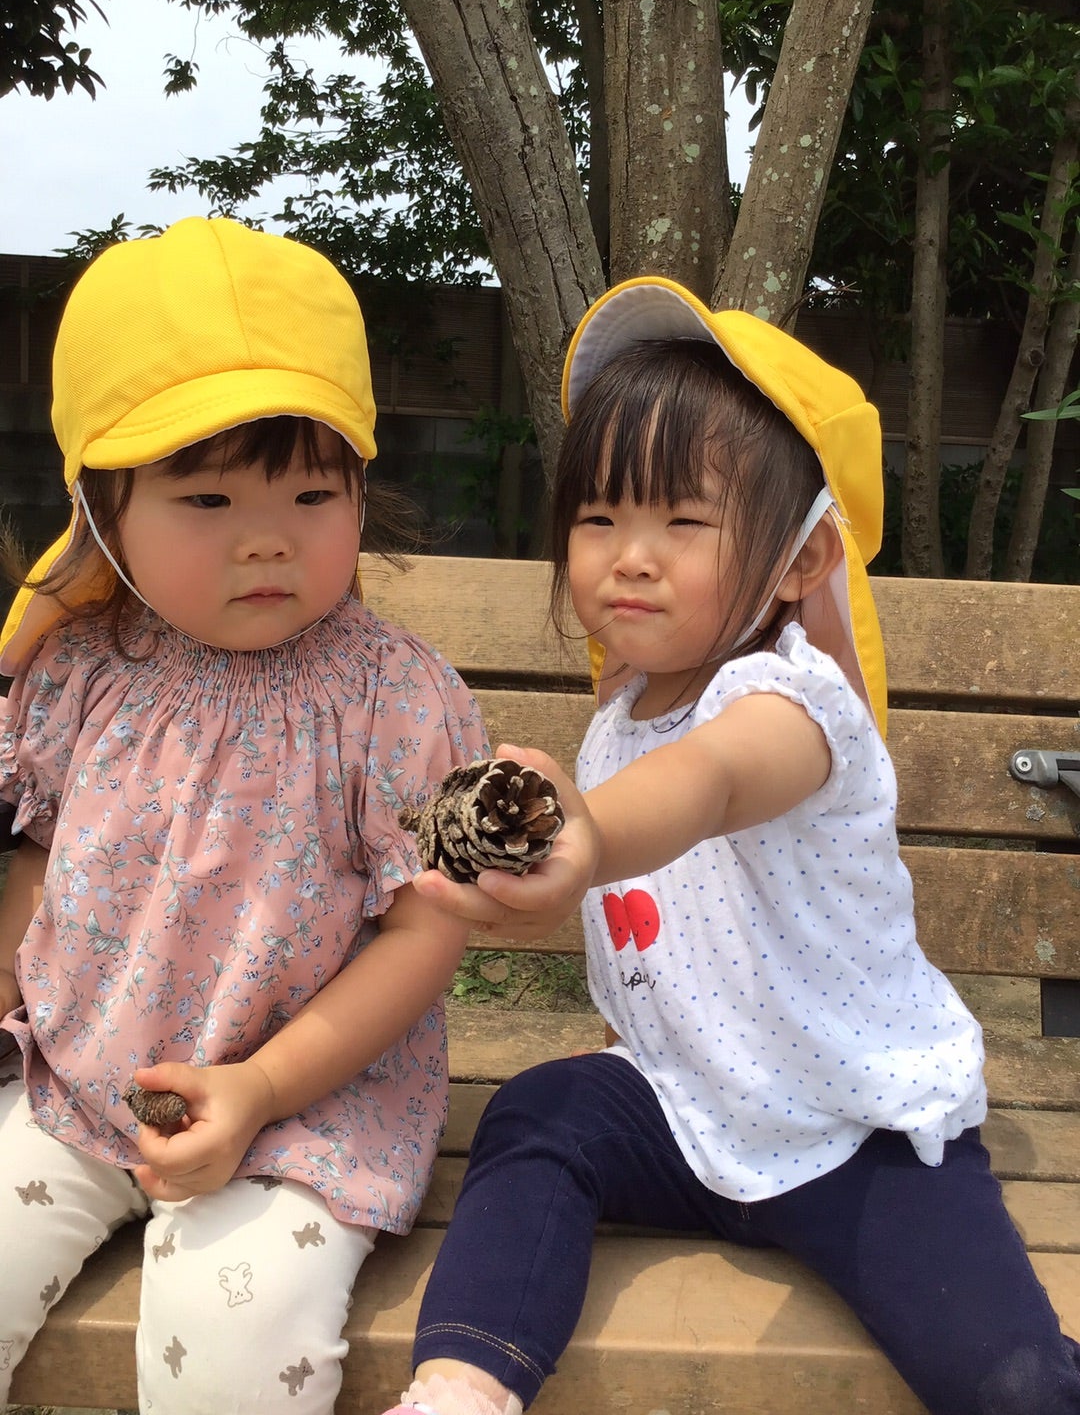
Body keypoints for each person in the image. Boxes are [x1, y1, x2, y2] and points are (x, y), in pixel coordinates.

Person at [383, 276, 1080, 1415]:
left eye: (683, 521)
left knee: (1004, 1381)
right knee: (538, 1117)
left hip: (856, 1130)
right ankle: (464, 1382)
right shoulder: (617, 723)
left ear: (806, 560)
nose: (629, 556)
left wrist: (587, 832)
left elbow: (708, 785)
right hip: (687, 1106)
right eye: (599, 518)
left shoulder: (796, 704)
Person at [0, 216, 488, 1414]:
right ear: (100, 511)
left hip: (307, 1115)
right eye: (207, 496)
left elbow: (429, 928)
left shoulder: (396, 695)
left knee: (229, 1340)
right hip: (78, 1083)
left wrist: (262, 1089)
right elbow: (37, 860)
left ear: (362, 491)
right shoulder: (79, 672)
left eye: (314, 492)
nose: (267, 536)